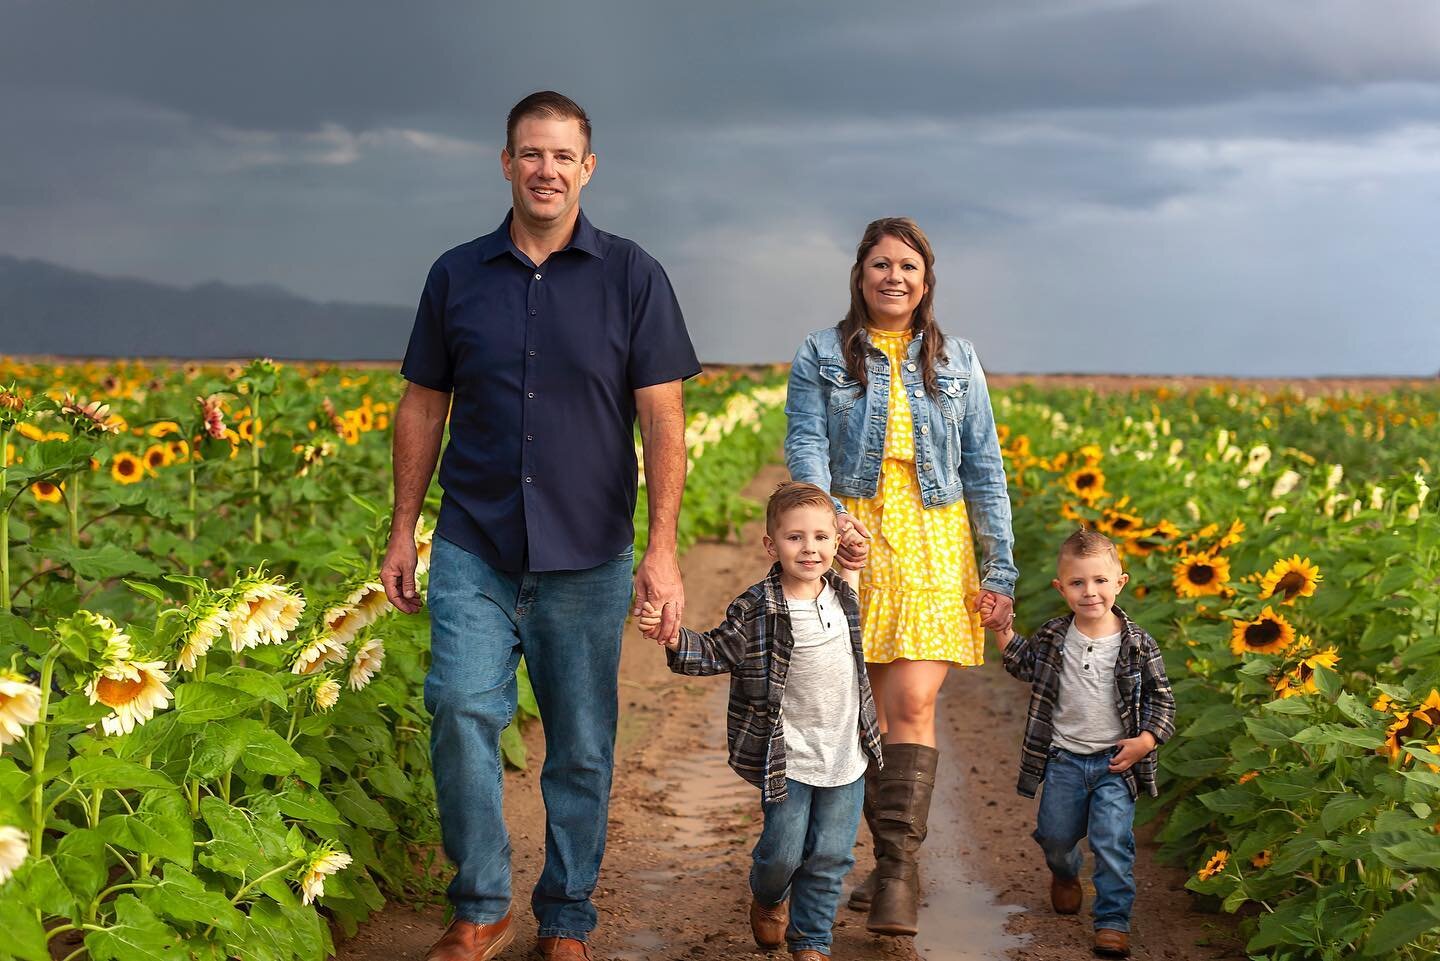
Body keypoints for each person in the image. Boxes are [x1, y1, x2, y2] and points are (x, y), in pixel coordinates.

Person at [380, 90, 701, 961]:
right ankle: (481, 902)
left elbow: (663, 420)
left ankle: (565, 916)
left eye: (563, 156)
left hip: (588, 550)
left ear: (587, 168)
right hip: (474, 541)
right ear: (506, 163)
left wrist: (663, 550)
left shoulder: (633, 275)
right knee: (457, 707)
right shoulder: (456, 274)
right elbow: (422, 403)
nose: (546, 169)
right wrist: (404, 527)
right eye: (531, 153)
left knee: (582, 743)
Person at [784, 217, 1017, 936]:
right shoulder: (821, 353)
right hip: (853, 539)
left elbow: (983, 463)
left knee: (913, 701)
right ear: (860, 275)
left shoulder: (958, 359)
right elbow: (806, 442)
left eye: (908, 266)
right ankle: (892, 862)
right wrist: (828, 524)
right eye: (881, 264)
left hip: (934, 541)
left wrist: (1000, 565)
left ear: (927, 279)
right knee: (866, 713)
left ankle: (894, 876)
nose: (894, 277)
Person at [639, 481, 883, 961]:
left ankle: (812, 942)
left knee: (832, 857)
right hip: (788, 758)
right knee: (782, 855)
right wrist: (671, 639)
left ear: (836, 542)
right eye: (795, 538)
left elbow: (854, 561)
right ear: (771, 545)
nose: (809, 548)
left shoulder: (844, 594)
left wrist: (854, 546)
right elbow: (714, 650)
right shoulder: (757, 606)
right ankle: (769, 897)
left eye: (820, 537)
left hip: (845, 755)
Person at [994, 528, 1176, 959]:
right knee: (1055, 837)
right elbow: (1024, 665)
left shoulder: (1136, 643)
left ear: (1120, 583)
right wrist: (1003, 628)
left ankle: (1112, 922)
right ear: (1061, 588)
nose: (1089, 592)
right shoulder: (1056, 635)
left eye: (1099, 581)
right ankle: (1065, 872)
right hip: (1064, 759)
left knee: (1113, 841)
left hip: (1117, 762)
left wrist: (1146, 741)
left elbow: (1162, 699)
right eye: (1077, 583)